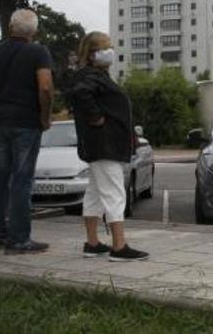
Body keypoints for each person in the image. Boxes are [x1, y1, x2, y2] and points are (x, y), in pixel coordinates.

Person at [68, 31, 148, 262]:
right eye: (106, 46)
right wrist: (96, 117)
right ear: (92, 54)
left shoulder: (94, 74)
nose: (111, 50)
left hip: (101, 144)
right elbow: (82, 93)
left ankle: (93, 243)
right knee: (115, 193)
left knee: (94, 193)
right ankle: (119, 247)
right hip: (105, 144)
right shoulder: (91, 76)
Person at [0, 9, 53, 254]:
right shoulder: (38, 52)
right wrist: (44, 116)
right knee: (22, 181)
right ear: (33, 31)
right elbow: (45, 87)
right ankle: (19, 239)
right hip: (26, 122)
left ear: (11, 27)